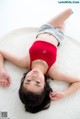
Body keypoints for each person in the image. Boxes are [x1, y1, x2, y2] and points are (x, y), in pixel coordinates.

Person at [0, 8, 80, 113]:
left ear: (23, 81)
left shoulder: (24, 62)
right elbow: (78, 81)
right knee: (67, 14)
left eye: (28, 81)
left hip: (45, 29)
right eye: (37, 83)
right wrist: (64, 94)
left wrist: (2, 71)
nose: (34, 76)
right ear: (45, 86)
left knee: (68, 12)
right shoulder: (53, 72)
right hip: (58, 37)